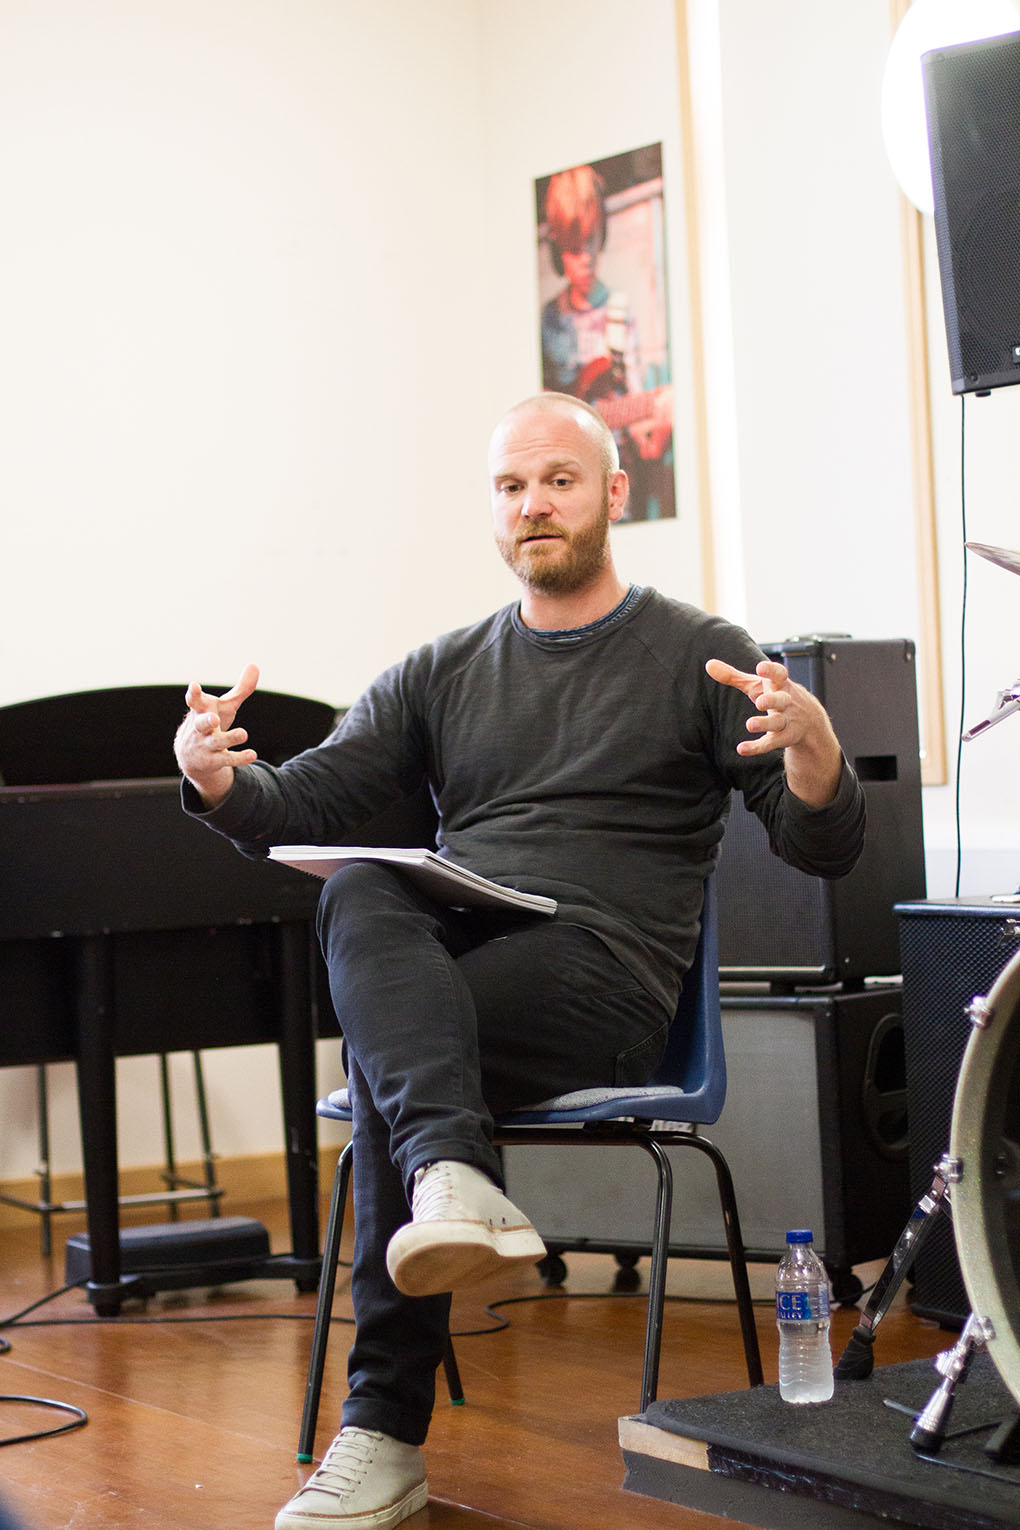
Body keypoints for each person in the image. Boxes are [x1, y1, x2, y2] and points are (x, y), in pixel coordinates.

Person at [174, 392, 865, 1530]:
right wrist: (212, 777)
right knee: (356, 887)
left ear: (612, 496)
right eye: (510, 486)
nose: (533, 504)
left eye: (558, 480)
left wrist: (819, 753)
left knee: (406, 1079)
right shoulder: (444, 668)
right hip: (467, 955)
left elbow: (816, 847)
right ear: (492, 510)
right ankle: (454, 1177)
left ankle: (381, 1434)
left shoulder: (703, 655)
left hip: (608, 974)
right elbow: (299, 802)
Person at [539, 164, 673, 514]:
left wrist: (651, 424)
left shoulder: (619, 310)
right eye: (572, 248)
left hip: (613, 476)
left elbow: (634, 389)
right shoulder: (549, 319)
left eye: (590, 242)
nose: (584, 258)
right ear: (556, 248)